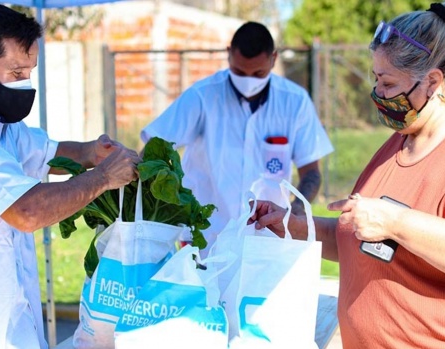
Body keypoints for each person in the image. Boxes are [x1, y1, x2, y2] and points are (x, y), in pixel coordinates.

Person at [249, 2, 445, 348]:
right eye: (375, 79)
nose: (378, 93)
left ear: (432, 82)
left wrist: (397, 222)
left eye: (388, 82)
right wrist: (292, 224)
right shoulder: (402, 140)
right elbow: (364, 242)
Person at [0, 3, 140, 348]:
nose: (26, 83)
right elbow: (27, 211)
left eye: (30, 71)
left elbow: (48, 152)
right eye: (17, 72)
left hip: (8, 326)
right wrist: (103, 178)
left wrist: (92, 153)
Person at [141, 21, 333, 251]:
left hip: (269, 239)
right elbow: (153, 149)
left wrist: (294, 214)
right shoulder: (202, 96)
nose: (249, 81)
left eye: (259, 73)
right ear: (229, 55)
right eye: (240, 72)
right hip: (205, 237)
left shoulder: (295, 101)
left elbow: (311, 172)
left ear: (274, 59)